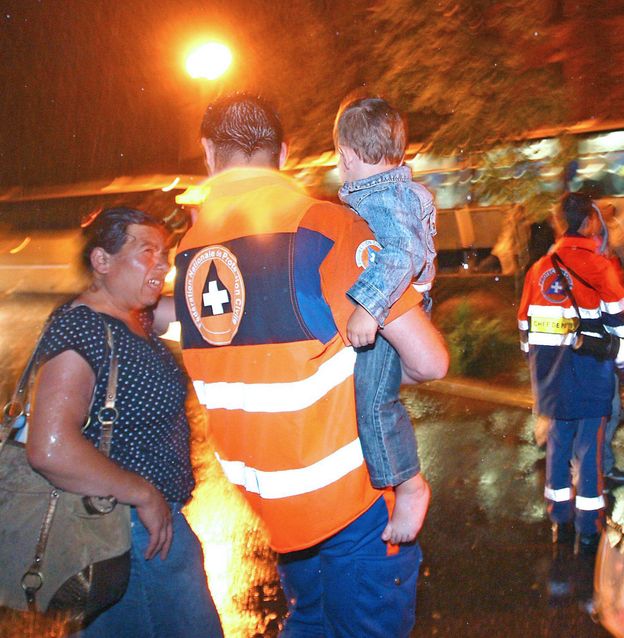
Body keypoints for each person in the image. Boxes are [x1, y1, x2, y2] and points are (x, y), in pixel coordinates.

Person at [162, 93, 448, 637]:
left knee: (310, 621)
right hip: (351, 499)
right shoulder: (321, 226)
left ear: (207, 152)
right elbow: (430, 361)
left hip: (272, 506)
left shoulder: (188, 249)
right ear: (285, 153)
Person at [25, 207, 222, 637]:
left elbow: (208, 308)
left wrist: (215, 234)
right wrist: (145, 496)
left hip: (142, 529)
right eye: (146, 251)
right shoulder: (82, 329)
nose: (161, 263)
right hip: (123, 533)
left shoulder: (136, 318)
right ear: (102, 261)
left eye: (164, 253)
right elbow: (49, 446)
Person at [334, 96, 437, 544]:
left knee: (375, 403)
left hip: (391, 313)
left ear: (346, 157)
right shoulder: (395, 191)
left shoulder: (379, 197)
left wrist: (368, 308)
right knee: (376, 396)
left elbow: (401, 254)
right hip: (401, 310)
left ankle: (410, 485)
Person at [518, 192, 624, 554]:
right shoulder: (601, 267)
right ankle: (589, 527)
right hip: (591, 377)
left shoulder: (538, 270)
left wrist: (539, 370)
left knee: (557, 448)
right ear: (589, 222)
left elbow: (525, 328)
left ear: (558, 222)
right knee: (590, 452)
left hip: (551, 379)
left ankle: (560, 523)